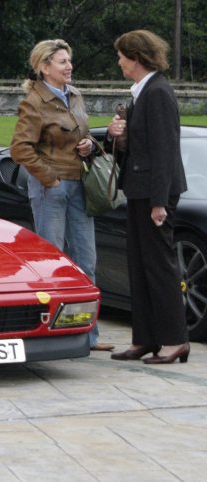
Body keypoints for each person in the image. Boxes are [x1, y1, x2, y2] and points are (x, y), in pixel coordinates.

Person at [11, 39, 113, 352]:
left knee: (86, 260)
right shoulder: (34, 101)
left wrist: (89, 147)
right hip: (50, 190)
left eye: (69, 61)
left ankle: (88, 335)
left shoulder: (76, 95)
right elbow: (20, 148)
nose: (69, 67)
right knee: (51, 263)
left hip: (79, 185)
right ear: (44, 67)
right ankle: (51, 336)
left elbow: (82, 135)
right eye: (61, 62)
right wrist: (50, 179)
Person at [107, 30, 190, 364]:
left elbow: (165, 151)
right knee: (140, 267)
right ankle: (146, 338)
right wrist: (121, 137)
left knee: (159, 268)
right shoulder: (141, 93)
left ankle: (174, 340)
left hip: (155, 194)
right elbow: (141, 147)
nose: (119, 62)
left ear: (136, 57)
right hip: (140, 191)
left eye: (121, 56)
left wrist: (159, 202)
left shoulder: (157, 92)